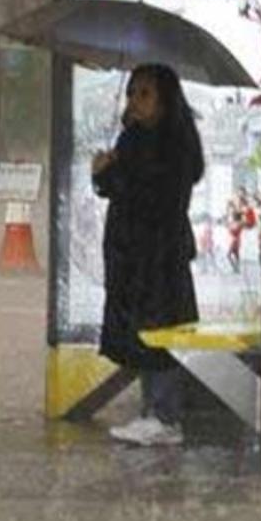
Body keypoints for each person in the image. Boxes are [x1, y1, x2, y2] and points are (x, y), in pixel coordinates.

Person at [92, 64, 204, 445]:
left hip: (158, 257)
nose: (134, 102)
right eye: (131, 93)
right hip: (133, 256)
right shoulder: (134, 138)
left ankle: (164, 413)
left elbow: (151, 195)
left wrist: (113, 174)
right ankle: (153, 411)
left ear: (164, 99)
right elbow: (120, 188)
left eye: (144, 94)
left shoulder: (173, 145)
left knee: (159, 332)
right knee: (143, 332)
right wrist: (105, 173)